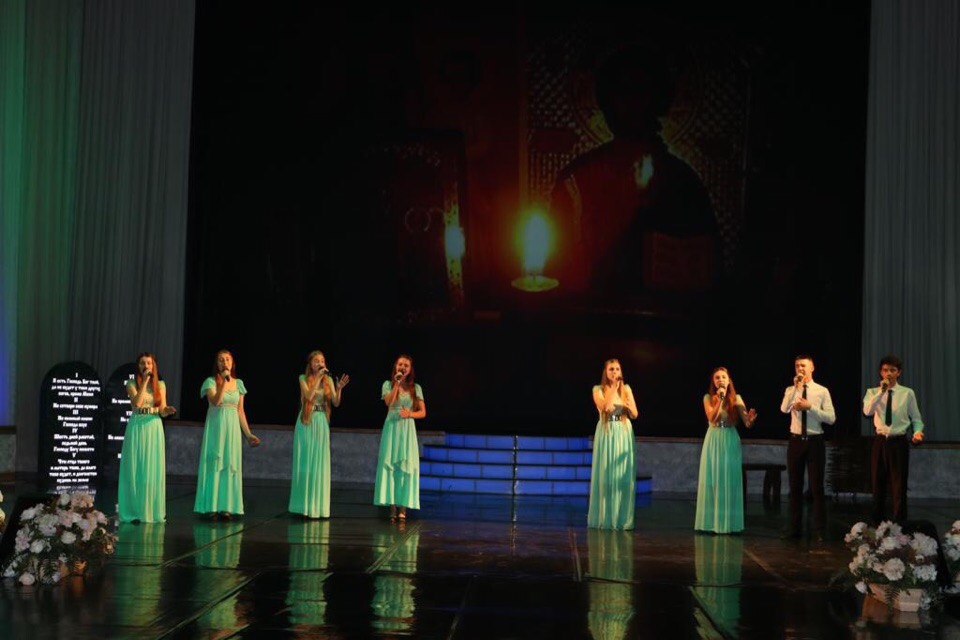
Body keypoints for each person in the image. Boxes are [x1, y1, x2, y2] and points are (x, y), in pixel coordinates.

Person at [194, 349, 260, 520]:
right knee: (215, 463)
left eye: (227, 359)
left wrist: (248, 434)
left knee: (230, 464)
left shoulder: (239, 384)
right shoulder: (210, 382)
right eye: (221, 360)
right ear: (217, 364)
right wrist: (223, 381)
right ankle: (211, 506)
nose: (225, 362)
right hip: (216, 428)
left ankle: (227, 507)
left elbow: (240, 411)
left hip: (232, 429)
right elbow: (216, 401)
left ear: (232, 363)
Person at [862, 354, 924, 524]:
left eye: (892, 370)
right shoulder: (872, 392)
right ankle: (878, 524)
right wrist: (881, 392)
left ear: (899, 372)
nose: (888, 373)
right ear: (880, 372)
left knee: (899, 485)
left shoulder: (907, 393)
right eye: (885, 370)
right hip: (881, 440)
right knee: (877, 483)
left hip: (899, 441)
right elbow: (867, 411)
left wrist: (918, 432)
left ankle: (899, 525)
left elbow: (916, 419)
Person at [694, 367, 757, 534]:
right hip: (714, 438)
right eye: (717, 378)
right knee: (713, 477)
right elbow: (712, 417)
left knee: (729, 478)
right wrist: (720, 400)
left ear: (729, 380)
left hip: (730, 438)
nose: (720, 380)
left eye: (723, 377)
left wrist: (750, 420)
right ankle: (711, 523)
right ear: (713, 382)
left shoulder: (737, 398)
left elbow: (747, 423)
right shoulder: (708, 397)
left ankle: (729, 523)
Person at [780, 355, 835, 541]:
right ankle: (793, 529)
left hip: (815, 442)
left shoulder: (822, 391)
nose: (800, 369)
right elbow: (783, 409)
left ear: (812, 368)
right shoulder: (791, 390)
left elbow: (831, 418)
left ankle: (819, 530)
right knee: (795, 486)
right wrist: (795, 389)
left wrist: (810, 406)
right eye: (797, 366)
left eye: (803, 366)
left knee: (816, 487)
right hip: (796, 441)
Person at [289, 350, 349, 519]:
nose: (320, 363)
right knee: (306, 462)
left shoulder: (328, 380)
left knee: (319, 463)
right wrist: (317, 379)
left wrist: (339, 388)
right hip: (307, 421)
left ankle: (317, 507)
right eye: (316, 361)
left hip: (321, 421)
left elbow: (335, 402)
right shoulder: (303, 378)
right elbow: (308, 396)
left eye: (322, 361)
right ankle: (303, 507)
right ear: (310, 364)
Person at [118, 352, 176, 523]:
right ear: (139, 367)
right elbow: (136, 403)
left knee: (151, 468)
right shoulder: (131, 384)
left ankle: (150, 511)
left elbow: (162, 409)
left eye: (149, 363)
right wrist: (144, 382)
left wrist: (167, 410)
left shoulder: (161, 385)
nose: (146, 366)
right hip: (137, 424)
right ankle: (134, 511)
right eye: (142, 363)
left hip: (154, 425)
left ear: (153, 366)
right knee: (136, 467)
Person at [587, 359, 639, 530]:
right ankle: (606, 517)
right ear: (605, 372)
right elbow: (606, 408)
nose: (614, 372)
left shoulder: (627, 389)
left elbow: (635, 414)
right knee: (606, 474)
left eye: (617, 369)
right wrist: (614, 388)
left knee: (622, 476)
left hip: (623, 432)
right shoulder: (598, 389)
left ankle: (621, 518)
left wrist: (628, 407)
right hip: (607, 431)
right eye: (611, 369)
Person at [374, 354, 426, 521]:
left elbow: (423, 412)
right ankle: (392, 507)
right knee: (390, 465)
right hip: (391, 427)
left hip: (407, 428)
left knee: (405, 465)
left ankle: (403, 508)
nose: (402, 367)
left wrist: (409, 413)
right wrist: (396, 383)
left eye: (406, 365)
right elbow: (388, 402)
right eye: (400, 364)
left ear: (410, 369)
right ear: (395, 367)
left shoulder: (416, 388)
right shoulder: (387, 384)